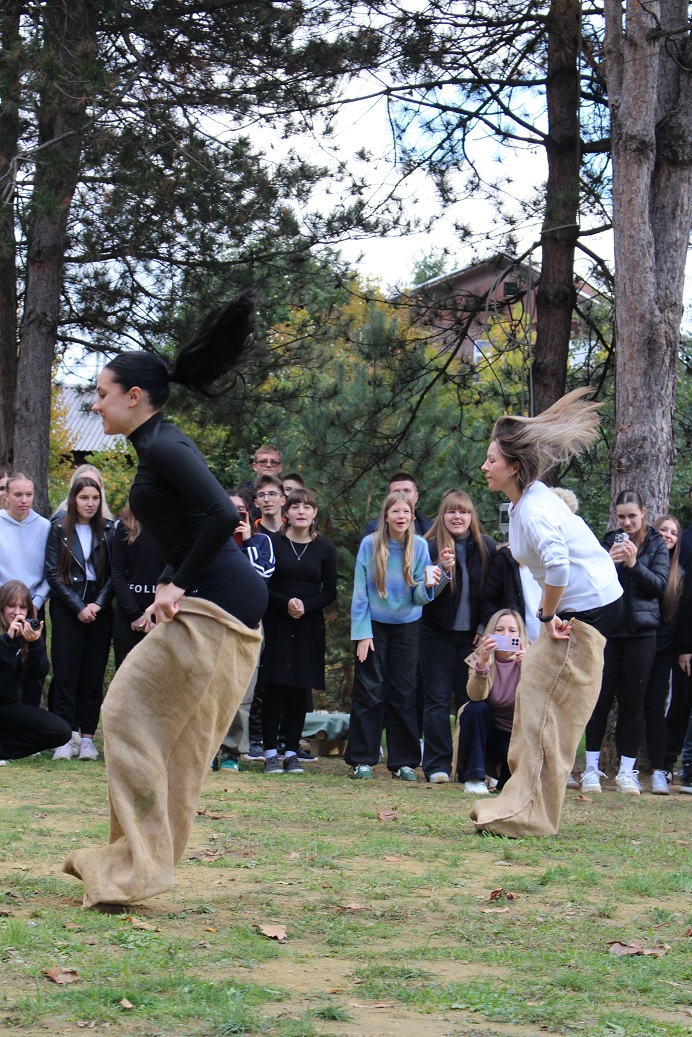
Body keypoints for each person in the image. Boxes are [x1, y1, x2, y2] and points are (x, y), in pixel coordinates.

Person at [63, 292, 267, 909]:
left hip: (223, 603)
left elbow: (221, 514)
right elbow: (192, 525)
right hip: (210, 598)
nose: (94, 404)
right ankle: (133, 860)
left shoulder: (166, 447)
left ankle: (139, 865)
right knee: (146, 725)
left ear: (134, 397)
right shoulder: (154, 445)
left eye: (101, 393)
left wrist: (178, 582)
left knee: (130, 715)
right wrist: (170, 584)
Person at [471, 388, 623, 837]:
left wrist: (544, 616)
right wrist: (551, 612)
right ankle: (520, 803)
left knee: (546, 712)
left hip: (589, 611)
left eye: (491, 460)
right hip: (580, 608)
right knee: (533, 699)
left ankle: (529, 815)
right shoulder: (527, 500)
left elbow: (557, 565)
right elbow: (551, 566)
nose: (484, 466)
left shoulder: (534, 509)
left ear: (514, 467)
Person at [346, 492, 438, 781]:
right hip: (373, 626)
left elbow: (419, 598)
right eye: (395, 511)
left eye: (406, 512)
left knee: (404, 692)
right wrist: (362, 633)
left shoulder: (420, 546)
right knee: (369, 691)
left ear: (412, 516)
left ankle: (404, 762)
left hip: (407, 626)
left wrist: (429, 585)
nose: (401, 516)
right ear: (385, 516)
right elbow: (360, 594)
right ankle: (362, 759)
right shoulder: (369, 545)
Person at [582, 490, 669, 795]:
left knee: (633, 703)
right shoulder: (607, 541)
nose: (627, 522)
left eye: (632, 516)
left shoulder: (657, 543)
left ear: (643, 512)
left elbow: (659, 586)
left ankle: (626, 772)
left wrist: (634, 563)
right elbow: (593, 584)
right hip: (609, 632)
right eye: (621, 517)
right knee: (600, 699)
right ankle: (591, 769)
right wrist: (609, 563)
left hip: (642, 634)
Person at [420, 489, 496, 783]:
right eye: (451, 511)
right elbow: (425, 596)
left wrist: (484, 627)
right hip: (435, 635)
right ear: (443, 515)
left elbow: (492, 593)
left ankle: (468, 766)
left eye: (463, 512)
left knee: (470, 701)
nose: (457, 517)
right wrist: (443, 569)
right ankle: (437, 766)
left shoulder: (486, 546)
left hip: (472, 638)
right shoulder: (428, 547)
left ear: (471, 516)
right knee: (437, 700)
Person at [261, 488, 337, 774]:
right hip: (277, 621)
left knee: (298, 689)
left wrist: (306, 606)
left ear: (314, 512)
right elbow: (263, 583)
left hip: (309, 624)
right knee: (275, 686)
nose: (301, 512)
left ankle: (292, 751)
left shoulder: (324, 549)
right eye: (295, 507)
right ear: (287, 512)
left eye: (307, 507)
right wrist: (286, 604)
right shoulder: (273, 543)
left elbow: (330, 591)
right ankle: (270, 752)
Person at [45, 476, 115, 761]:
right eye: (84, 497)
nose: (90, 503)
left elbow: (115, 574)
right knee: (66, 673)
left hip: (99, 608)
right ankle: (65, 736)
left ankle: (87, 738)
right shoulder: (59, 528)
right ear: (74, 499)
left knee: (92, 674)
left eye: (95, 498)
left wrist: (98, 604)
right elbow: (52, 573)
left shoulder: (108, 530)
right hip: (67, 606)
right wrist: (78, 607)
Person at [217, 490, 275, 772]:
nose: (235, 515)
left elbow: (260, 576)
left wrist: (248, 541)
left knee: (242, 693)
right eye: (230, 509)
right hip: (216, 623)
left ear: (249, 514)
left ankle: (231, 753)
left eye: (240, 510)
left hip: (250, 626)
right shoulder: (213, 540)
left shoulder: (262, 541)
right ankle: (206, 749)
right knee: (211, 690)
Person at [453, 609, 527, 794]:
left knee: (508, 789)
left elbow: (539, 704)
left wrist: (527, 669)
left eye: (512, 630)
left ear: (521, 635)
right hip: (488, 736)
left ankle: (506, 777)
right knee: (474, 708)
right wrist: (482, 665)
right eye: (499, 630)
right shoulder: (479, 657)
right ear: (490, 634)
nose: (506, 635)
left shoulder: (532, 658)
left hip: (518, 739)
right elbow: (475, 696)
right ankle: (474, 778)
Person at [0, 580, 71, 762]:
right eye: (11, 606)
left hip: (9, 708)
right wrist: (6, 640)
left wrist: (35, 643)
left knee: (61, 731)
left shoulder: (25, 636)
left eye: (22, 607)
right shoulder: (6, 639)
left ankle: (3, 750)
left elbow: (39, 673)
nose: (17, 612)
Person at [640, 515, 685, 795]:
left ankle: (660, 769)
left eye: (674, 532)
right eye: (663, 530)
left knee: (656, 707)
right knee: (632, 703)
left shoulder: (680, 574)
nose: (668, 535)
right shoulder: (642, 564)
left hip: (663, 650)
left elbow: (677, 618)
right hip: (637, 643)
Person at [0, 473, 51, 706]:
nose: (24, 500)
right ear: (7, 495)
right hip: (3, 609)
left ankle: (29, 718)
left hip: (32, 608)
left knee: (33, 671)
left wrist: (35, 604)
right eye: (18, 494)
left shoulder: (44, 526)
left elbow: (50, 571)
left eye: (29, 494)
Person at [110, 501, 165, 668]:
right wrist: (135, 615)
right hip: (129, 616)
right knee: (126, 674)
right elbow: (117, 574)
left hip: (163, 615)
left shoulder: (173, 527)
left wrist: (161, 618)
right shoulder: (125, 527)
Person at [363, 473, 432, 537]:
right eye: (396, 492)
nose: (402, 495)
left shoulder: (428, 528)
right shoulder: (374, 529)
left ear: (416, 496)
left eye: (406, 491)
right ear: (389, 497)